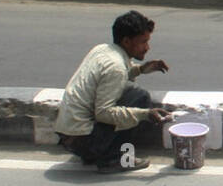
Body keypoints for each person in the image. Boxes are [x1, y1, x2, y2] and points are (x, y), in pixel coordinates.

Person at [54, 10, 171, 173]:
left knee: (129, 93)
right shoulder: (116, 67)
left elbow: (109, 80)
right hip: (83, 141)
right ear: (126, 41)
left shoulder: (102, 49)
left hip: (69, 135)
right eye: (143, 42)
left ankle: (97, 153)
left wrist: (141, 70)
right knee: (140, 97)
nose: (147, 47)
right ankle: (116, 159)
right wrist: (145, 114)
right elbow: (103, 112)